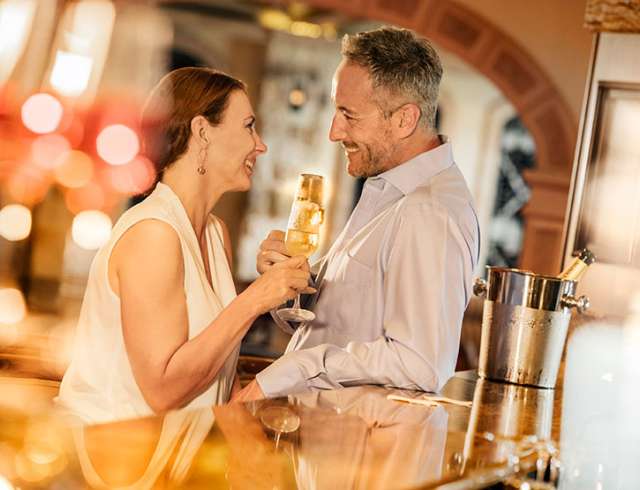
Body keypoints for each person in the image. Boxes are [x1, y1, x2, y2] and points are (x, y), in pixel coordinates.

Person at [234, 27, 480, 401]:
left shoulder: (429, 211)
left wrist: (300, 366)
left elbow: (420, 363)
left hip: (356, 454)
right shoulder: (391, 191)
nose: (335, 132)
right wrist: (289, 285)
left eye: (349, 115)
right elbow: (349, 312)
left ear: (404, 120)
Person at [57, 67, 312, 424]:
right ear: (202, 131)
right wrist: (256, 298)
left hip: (173, 459)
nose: (261, 144)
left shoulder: (213, 232)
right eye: (248, 125)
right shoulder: (154, 232)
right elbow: (163, 391)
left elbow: (214, 367)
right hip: (110, 458)